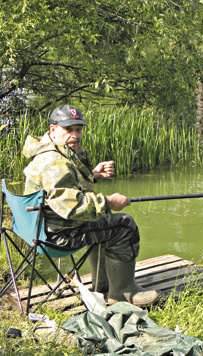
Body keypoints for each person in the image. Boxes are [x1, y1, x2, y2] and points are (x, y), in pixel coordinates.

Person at [22, 104, 163, 307]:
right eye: (68, 129)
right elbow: (72, 207)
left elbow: (64, 191)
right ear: (53, 129)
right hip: (59, 237)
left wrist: (93, 175)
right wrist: (108, 202)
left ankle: (103, 285)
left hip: (41, 230)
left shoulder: (51, 150)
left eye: (78, 129)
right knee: (124, 225)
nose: (75, 135)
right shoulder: (54, 163)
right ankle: (123, 293)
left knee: (101, 219)